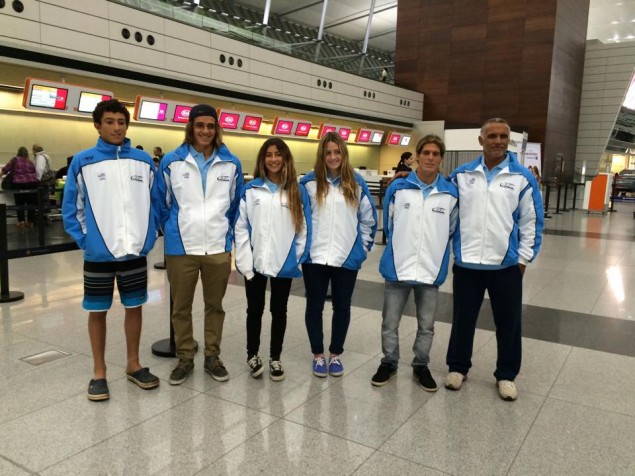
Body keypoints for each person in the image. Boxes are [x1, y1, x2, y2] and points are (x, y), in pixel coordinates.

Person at [62, 99, 160, 401]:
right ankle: (99, 372)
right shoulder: (83, 161)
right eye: (110, 121)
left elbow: (155, 202)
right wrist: (85, 240)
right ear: (98, 125)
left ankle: (133, 365)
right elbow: (71, 208)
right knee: (97, 311)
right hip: (98, 255)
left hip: (134, 253)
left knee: (134, 307)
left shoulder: (143, 161)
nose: (117, 127)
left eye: (121, 121)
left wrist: (149, 237)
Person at [444, 118, 544, 401]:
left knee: (509, 324)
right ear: (481, 140)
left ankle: (506, 374)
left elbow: (532, 222)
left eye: (503, 136)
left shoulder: (522, 178)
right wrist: (407, 177)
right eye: (492, 136)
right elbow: (441, 202)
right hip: (467, 265)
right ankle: (457, 367)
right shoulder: (462, 175)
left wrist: (522, 260)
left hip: (506, 267)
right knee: (463, 319)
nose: (498, 141)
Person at [155, 103, 243, 385]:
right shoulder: (171, 162)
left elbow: (234, 206)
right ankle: (184, 358)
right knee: (180, 307)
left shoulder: (231, 163)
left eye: (210, 126)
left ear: (217, 129)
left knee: (214, 305)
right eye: (200, 125)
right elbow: (161, 203)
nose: (205, 131)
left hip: (217, 247)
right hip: (181, 248)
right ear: (190, 128)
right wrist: (174, 230)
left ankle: (212, 356)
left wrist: (225, 233)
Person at [372, 135, 458, 390]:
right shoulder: (398, 189)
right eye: (426, 153)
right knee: (390, 322)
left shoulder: (450, 193)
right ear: (418, 155)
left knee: (427, 325)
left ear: (441, 158)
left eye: (436, 153)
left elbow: (451, 230)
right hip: (398, 266)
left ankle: (421, 364)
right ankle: (389, 361)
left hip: (430, 269)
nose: (431, 157)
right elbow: (388, 224)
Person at [299, 131, 377, 377]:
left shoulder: (356, 183)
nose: (333, 157)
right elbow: (299, 219)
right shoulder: (308, 183)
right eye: (328, 152)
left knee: (342, 307)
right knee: (314, 307)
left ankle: (335, 354)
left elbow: (368, 221)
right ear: (322, 155)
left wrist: (360, 251)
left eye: (337, 152)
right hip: (315, 258)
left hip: (346, 259)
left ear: (344, 154)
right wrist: (303, 251)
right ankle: (318, 355)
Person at [234, 138, 311, 381]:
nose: (274, 159)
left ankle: (275, 357)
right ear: (262, 159)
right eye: (269, 154)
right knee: (254, 309)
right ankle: (252, 354)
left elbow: (304, 229)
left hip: (283, 264)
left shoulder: (296, 192)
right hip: (255, 264)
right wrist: (246, 263)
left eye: (278, 154)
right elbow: (240, 227)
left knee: (279, 310)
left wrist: (294, 260)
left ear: (286, 158)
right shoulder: (251, 190)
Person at [2, 146, 39, 227]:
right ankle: (31, 222)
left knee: (20, 203)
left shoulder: (15, 159)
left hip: (19, 183)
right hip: (32, 183)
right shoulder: (29, 161)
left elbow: (5, 169)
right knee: (31, 203)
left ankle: (21, 221)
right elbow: (35, 171)